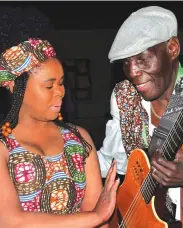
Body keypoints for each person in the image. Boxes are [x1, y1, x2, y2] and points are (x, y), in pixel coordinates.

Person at [97, 5, 183, 228]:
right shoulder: (123, 97)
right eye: (126, 63)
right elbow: (116, 161)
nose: (132, 73)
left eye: (142, 59)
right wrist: (70, 150)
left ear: (172, 48)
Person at [0, 7, 119, 228]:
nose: (60, 92)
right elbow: (10, 221)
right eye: (49, 85)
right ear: (17, 87)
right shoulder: (4, 147)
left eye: (62, 83)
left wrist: (99, 217)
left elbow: (99, 214)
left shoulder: (78, 139)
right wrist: (95, 217)